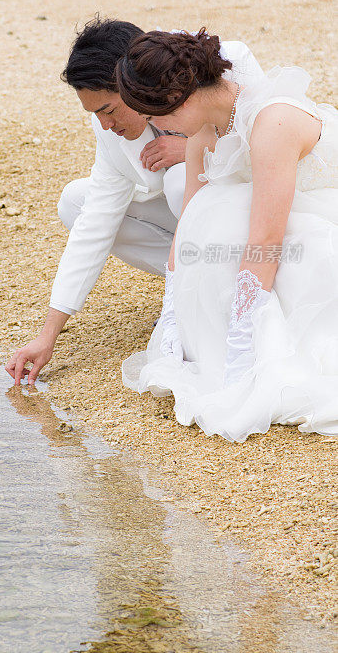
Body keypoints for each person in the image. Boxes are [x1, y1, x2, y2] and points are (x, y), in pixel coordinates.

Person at [6, 19, 264, 387]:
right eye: (95, 113)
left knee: (179, 182)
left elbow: (271, 144)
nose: (105, 124)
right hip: (188, 225)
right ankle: (194, 281)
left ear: (131, 81)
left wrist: (195, 149)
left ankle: (227, 283)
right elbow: (96, 221)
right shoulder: (108, 129)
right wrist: (47, 336)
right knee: (76, 202)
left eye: (108, 109)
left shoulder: (228, 60)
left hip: (252, 207)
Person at [117, 28, 338, 442]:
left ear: (181, 98)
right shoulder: (206, 128)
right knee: (209, 213)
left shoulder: (271, 121)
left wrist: (242, 344)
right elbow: (188, 225)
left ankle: (255, 345)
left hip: (324, 223)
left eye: (154, 116)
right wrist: (172, 311)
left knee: (229, 216)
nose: (155, 128)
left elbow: (266, 239)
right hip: (282, 226)